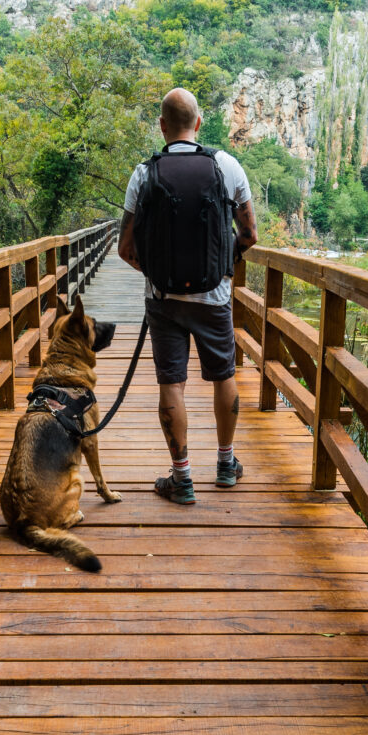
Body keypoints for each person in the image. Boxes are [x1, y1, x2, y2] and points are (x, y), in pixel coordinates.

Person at [117, 88, 258, 505]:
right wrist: (219, 267)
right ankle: (226, 465)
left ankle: (182, 479)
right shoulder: (226, 165)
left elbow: (125, 249)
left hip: (162, 301)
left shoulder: (144, 172)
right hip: (214, 297)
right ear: (198, 124)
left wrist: (158, 273)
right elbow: (249, 234)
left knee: (171, 383)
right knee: (224, 375)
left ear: (162, 126)